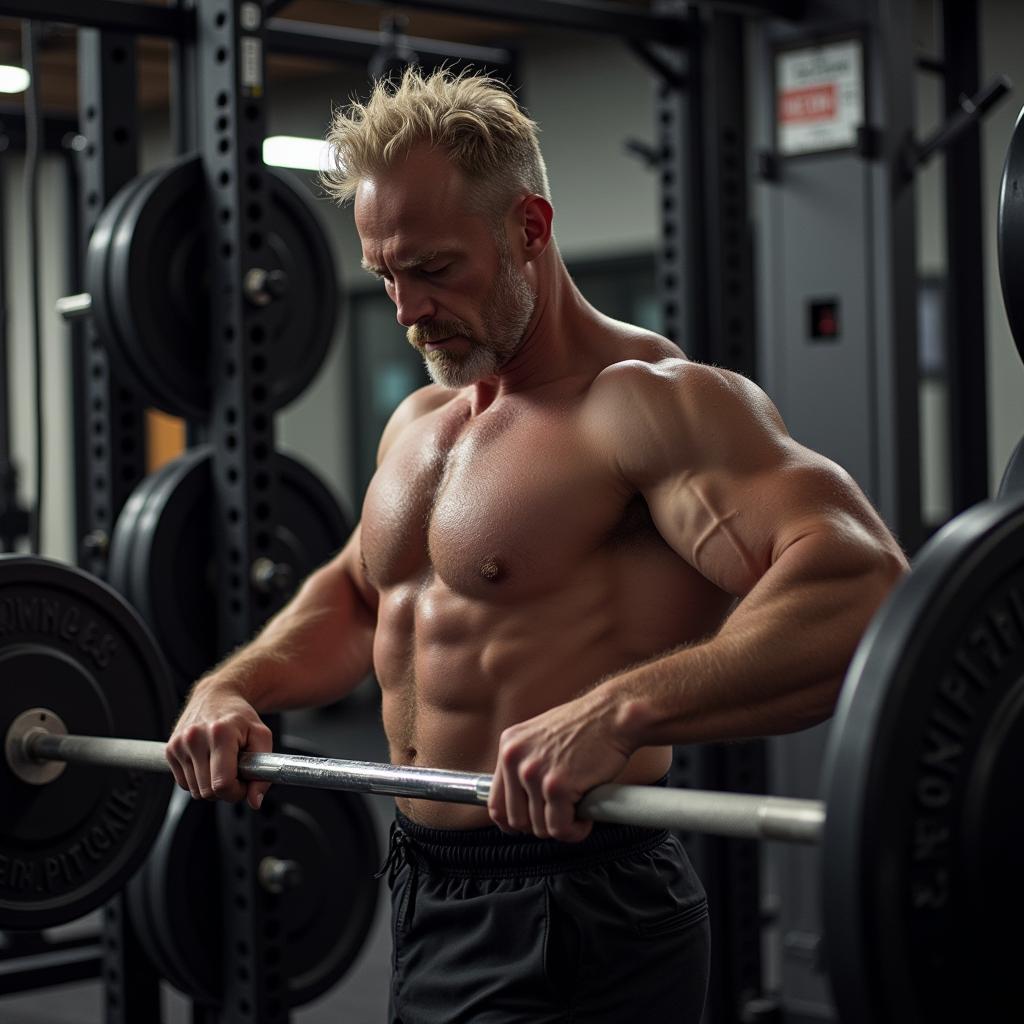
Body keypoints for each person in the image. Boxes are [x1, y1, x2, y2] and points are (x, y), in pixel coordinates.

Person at [166, 68, 908, 1022]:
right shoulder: (421, 422)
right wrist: (234, 685)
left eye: (434, 269)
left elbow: (861, 585)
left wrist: (621, 709)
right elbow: (358, 597)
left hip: (579, 899)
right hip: (427, 883)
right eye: (385, 275)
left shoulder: (647, 405)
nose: (405, 309)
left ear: (529, 229)